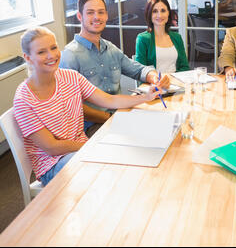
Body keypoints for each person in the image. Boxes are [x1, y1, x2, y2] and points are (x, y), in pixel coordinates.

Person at [14, 27, 159, 186]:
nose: (51, 55)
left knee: (129, 155)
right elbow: (52, 148)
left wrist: (146, 97)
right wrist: (93, 145)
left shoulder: (70, 77)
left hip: (83, 150)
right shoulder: (24, 98)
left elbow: (109, 100)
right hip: (53, 165)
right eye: (41, 52)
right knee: (111, 172)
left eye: (54, 48)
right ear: (27, 57)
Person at [59, 0, 169, 135]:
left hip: (120, 116)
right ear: (80, 16)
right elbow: (73, 107)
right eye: (90, 12)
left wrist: (155, 77)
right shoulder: (69, 55)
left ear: (106, 16)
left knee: (165, 127)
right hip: (93, 128)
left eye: (101, 12)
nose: (97, 17)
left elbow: (138, 69)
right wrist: (111, 117)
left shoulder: (110, 48)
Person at [135, 0, 190, 73]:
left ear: (168, 13)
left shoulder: (177, 37)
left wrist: (172, 80)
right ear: (149, 14)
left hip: (176, 83)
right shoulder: (143, 39)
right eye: (155, 11)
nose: (159, 15)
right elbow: (140, 71)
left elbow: (185, 67)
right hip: (154, 83)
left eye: (163, 10)